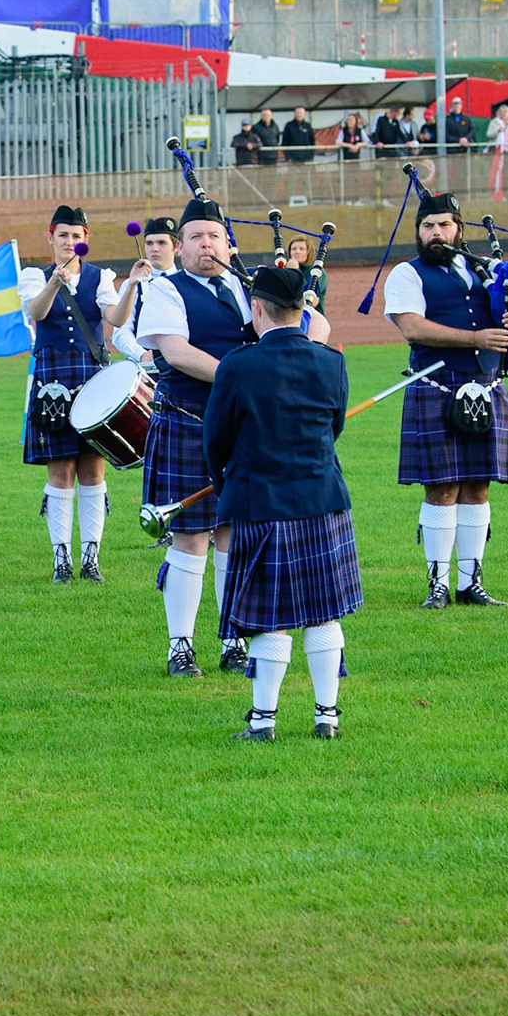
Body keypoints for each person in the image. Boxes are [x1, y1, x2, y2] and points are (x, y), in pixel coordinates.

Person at [206, 266, 362, 741]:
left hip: (260, 502)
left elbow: (216, 440)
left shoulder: (236, 365)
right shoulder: (330, 362)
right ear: (303, 311)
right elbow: (334, 428)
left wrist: (225, 484)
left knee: (269, 619)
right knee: (324, 612)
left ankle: (263, 722)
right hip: (322, 498)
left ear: (256, 309)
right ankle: (327, 718)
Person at [384, 191, 508, 609]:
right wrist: (475, 338)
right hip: (437, 387)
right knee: (441, 489)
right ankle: (438, 584)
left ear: (459, 229)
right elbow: (412, 327)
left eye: (443, 226)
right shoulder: (407, 273)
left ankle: (469, 582)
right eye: (427, 227)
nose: (435, 233)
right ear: (418, 232)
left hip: (486, 386)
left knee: (477, 488)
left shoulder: (487, 269)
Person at [135, 198, 258, 677]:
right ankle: (180, 647)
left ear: (228, 243)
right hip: (188, 422)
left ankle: (233, 639)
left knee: (231, 534)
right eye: (197, 238)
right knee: (190, 538)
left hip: (240, 426)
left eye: (215, 237)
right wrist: (241, 375)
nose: (207, 245)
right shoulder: (166, 290)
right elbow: (177, 351)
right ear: (181, 247)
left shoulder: (247, 287)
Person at [20, 206, 124, 583]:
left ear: (85, 239)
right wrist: (55, 282)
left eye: (76, 236)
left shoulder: (101, 277)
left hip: (92, 377)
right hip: (53, 383)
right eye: (62, 235)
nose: (69, 242)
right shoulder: (34, 275)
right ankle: (60, 560)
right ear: (50, 237)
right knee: (61, 470)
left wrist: (132, 288)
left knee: (92, 469)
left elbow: (115, 318)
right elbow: (37, 311)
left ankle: (90, 559)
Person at [107, 216, 178, 363]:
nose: (154, 248)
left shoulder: (186, 281)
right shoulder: (132, 284)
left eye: (162, 243)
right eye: (149, 243)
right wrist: (142, 354)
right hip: (146, 369)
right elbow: (121, 332)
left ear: (176, 246)